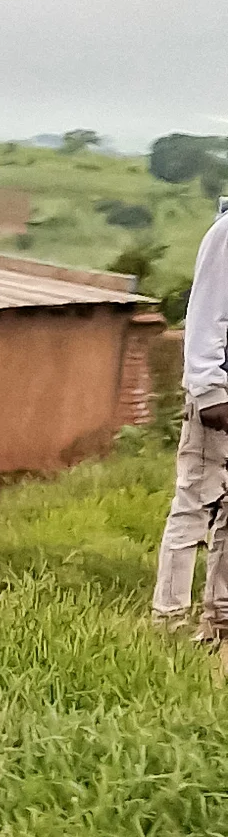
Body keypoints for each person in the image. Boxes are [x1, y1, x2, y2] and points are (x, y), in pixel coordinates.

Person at [153, 194, 228, 636]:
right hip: (220, 393)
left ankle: (218, 620)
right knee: (195, 506)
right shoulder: (227, 233)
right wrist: (208, 388)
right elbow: (205, 314)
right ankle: (170, 623)